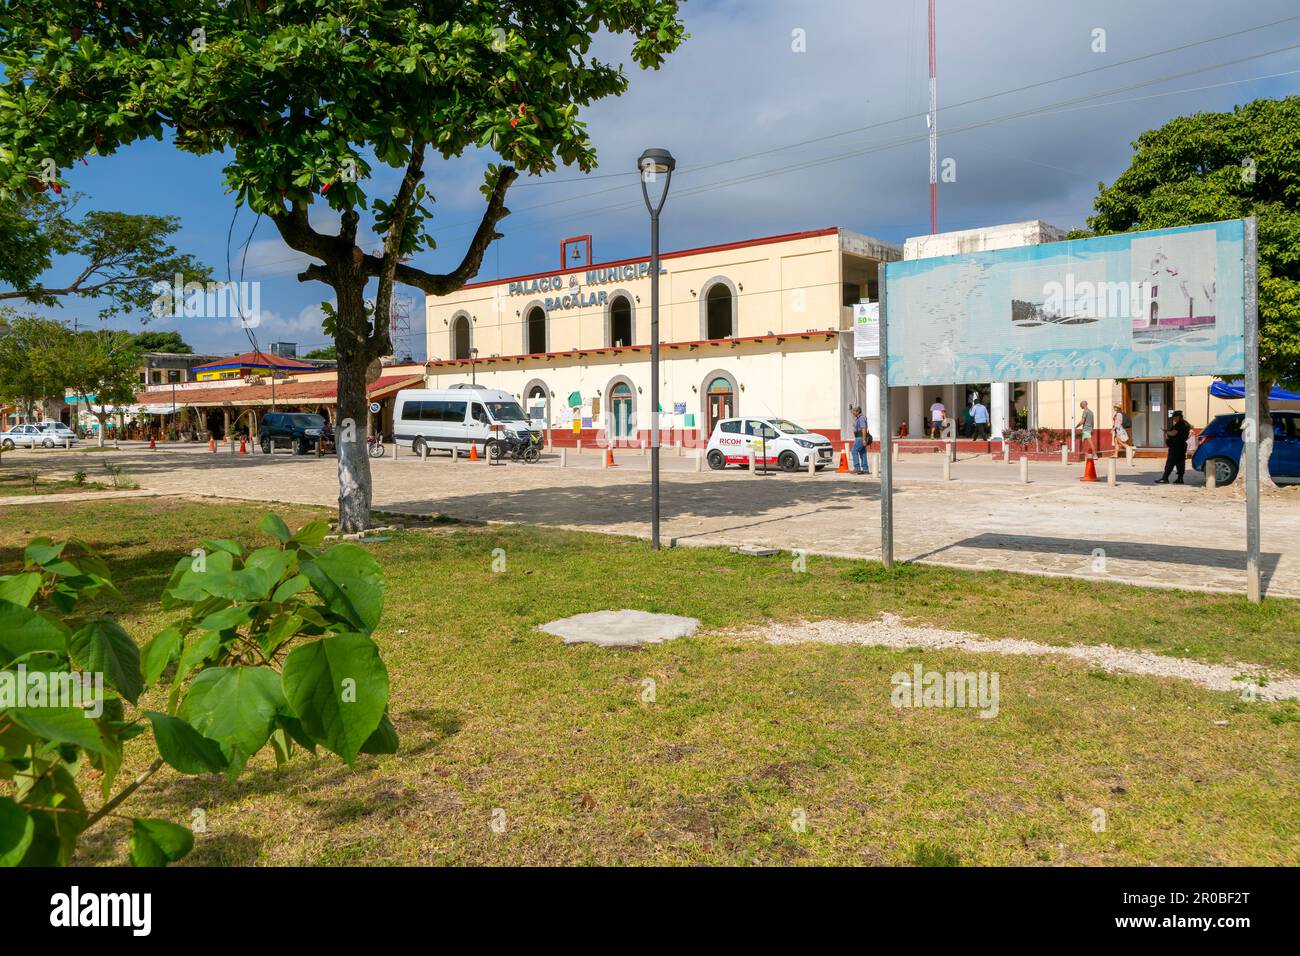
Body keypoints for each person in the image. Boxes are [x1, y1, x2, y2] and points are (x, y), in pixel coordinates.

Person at [1156, 410, 1191, 484]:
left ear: (1178, 417)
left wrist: (1166, 432)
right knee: (1180, 462)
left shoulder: (1180, 424)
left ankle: (1165, 478)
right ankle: (1180, 479)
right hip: (1182, 445)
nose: (1173, 419)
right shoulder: (1186, 424)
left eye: (1174, 417)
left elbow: (1173, 433)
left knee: (1170, 462)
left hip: (1176, 446)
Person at [850, 405, 870, 475]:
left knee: (854, 451)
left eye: (853, 412)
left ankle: (857, 468)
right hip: (859, 437)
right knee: (863, 452)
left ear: (858, 411)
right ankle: (865, 469)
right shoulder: (858, 418)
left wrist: (864, 439)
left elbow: (863, 429)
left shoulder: (861, 418)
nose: (852, 413)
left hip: (860, 437)